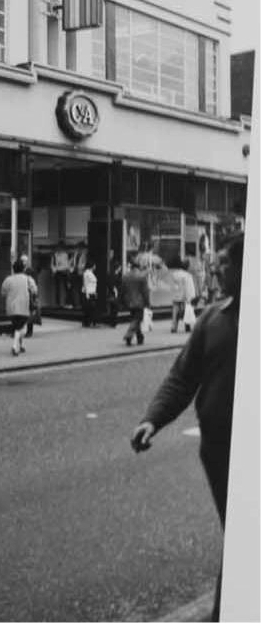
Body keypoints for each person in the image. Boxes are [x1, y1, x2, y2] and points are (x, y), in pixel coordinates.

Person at [130, 235, 244, 622]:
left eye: (226, 264)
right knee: (242, 538)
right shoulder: (214, 319)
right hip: (218, 452)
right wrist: (152, 419)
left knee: (244, 542)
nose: (216, 269)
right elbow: (182, 377)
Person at [0, 257, 37, 357]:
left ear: (13, 269)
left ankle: (20, 345)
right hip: (23, 306)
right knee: (20, 327)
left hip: (11, 307)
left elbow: (3, 292)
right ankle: (15, 346)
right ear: (23, 269)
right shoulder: (27, 279)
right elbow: (34, 290)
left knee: (18, 325)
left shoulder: (8, 279)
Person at [120, 256, 151, 346]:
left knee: (135, 319)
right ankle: (128, 335)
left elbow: (122, 290)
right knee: (137, 319)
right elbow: (145, 292)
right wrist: (147, 303)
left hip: (129, 302)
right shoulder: (141, 277)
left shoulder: (125, 276)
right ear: (138, 267)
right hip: (139, 302)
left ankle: (140, 337)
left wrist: (121, 301)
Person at [168, 257, 196, 334]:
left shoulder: (175, 274)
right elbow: (189, 287)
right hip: (184, 296)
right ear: (187, 267)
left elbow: (172, 285)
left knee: (175, 312)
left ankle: (174, 327)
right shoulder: (187, 276)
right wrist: (190, 297)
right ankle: (187, 326)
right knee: (186, 311)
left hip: (176, 295)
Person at [81, 260, 99, 327]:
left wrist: (95, 292)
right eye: (94, 265)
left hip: (92, 292)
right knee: (89, 308)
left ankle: (90, 322)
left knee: (91, 308)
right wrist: (87, 294)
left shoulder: (91, 273)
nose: (95, 266)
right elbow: (85, 283)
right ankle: (87, 322)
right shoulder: (86, 273)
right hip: (88, 293)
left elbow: (93, 284)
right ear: (91, 266)